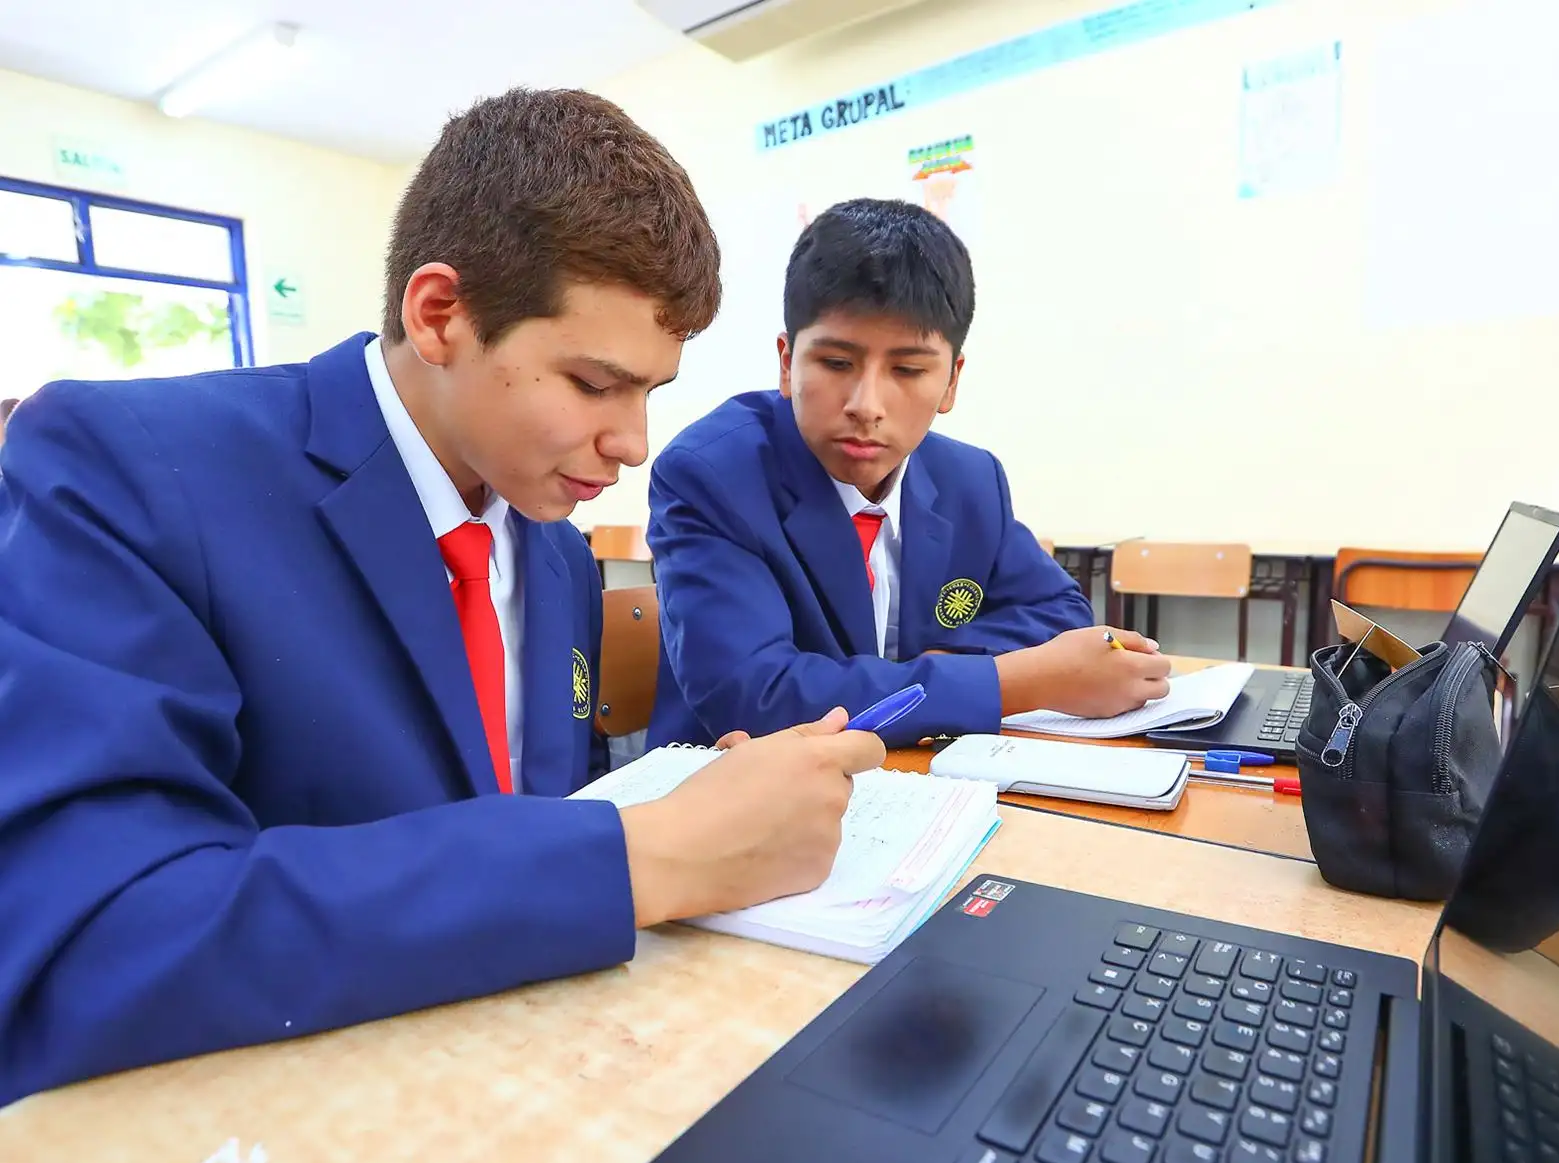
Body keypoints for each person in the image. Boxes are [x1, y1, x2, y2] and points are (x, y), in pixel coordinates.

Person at [0, 89, 883, 1106]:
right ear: (440, 315)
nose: (633, 442)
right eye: (596, 384)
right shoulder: (129, 472)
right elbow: (87, 940)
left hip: (537, 1076)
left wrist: (687, 814)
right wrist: (644, 854)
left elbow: (538, 811)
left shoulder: (549, 543)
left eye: (651, 393)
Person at [647, 198, 1171, 749]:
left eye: (908, 369)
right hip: (737, 792)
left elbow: (1058, 612)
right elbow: (756, 695)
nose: (867, 404)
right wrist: (1014, 681)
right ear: (786, 361)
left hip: (921, 775)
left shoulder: (969, 479)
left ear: (950, 381)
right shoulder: (712, 475)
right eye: (836, 363)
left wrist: (935, 668)